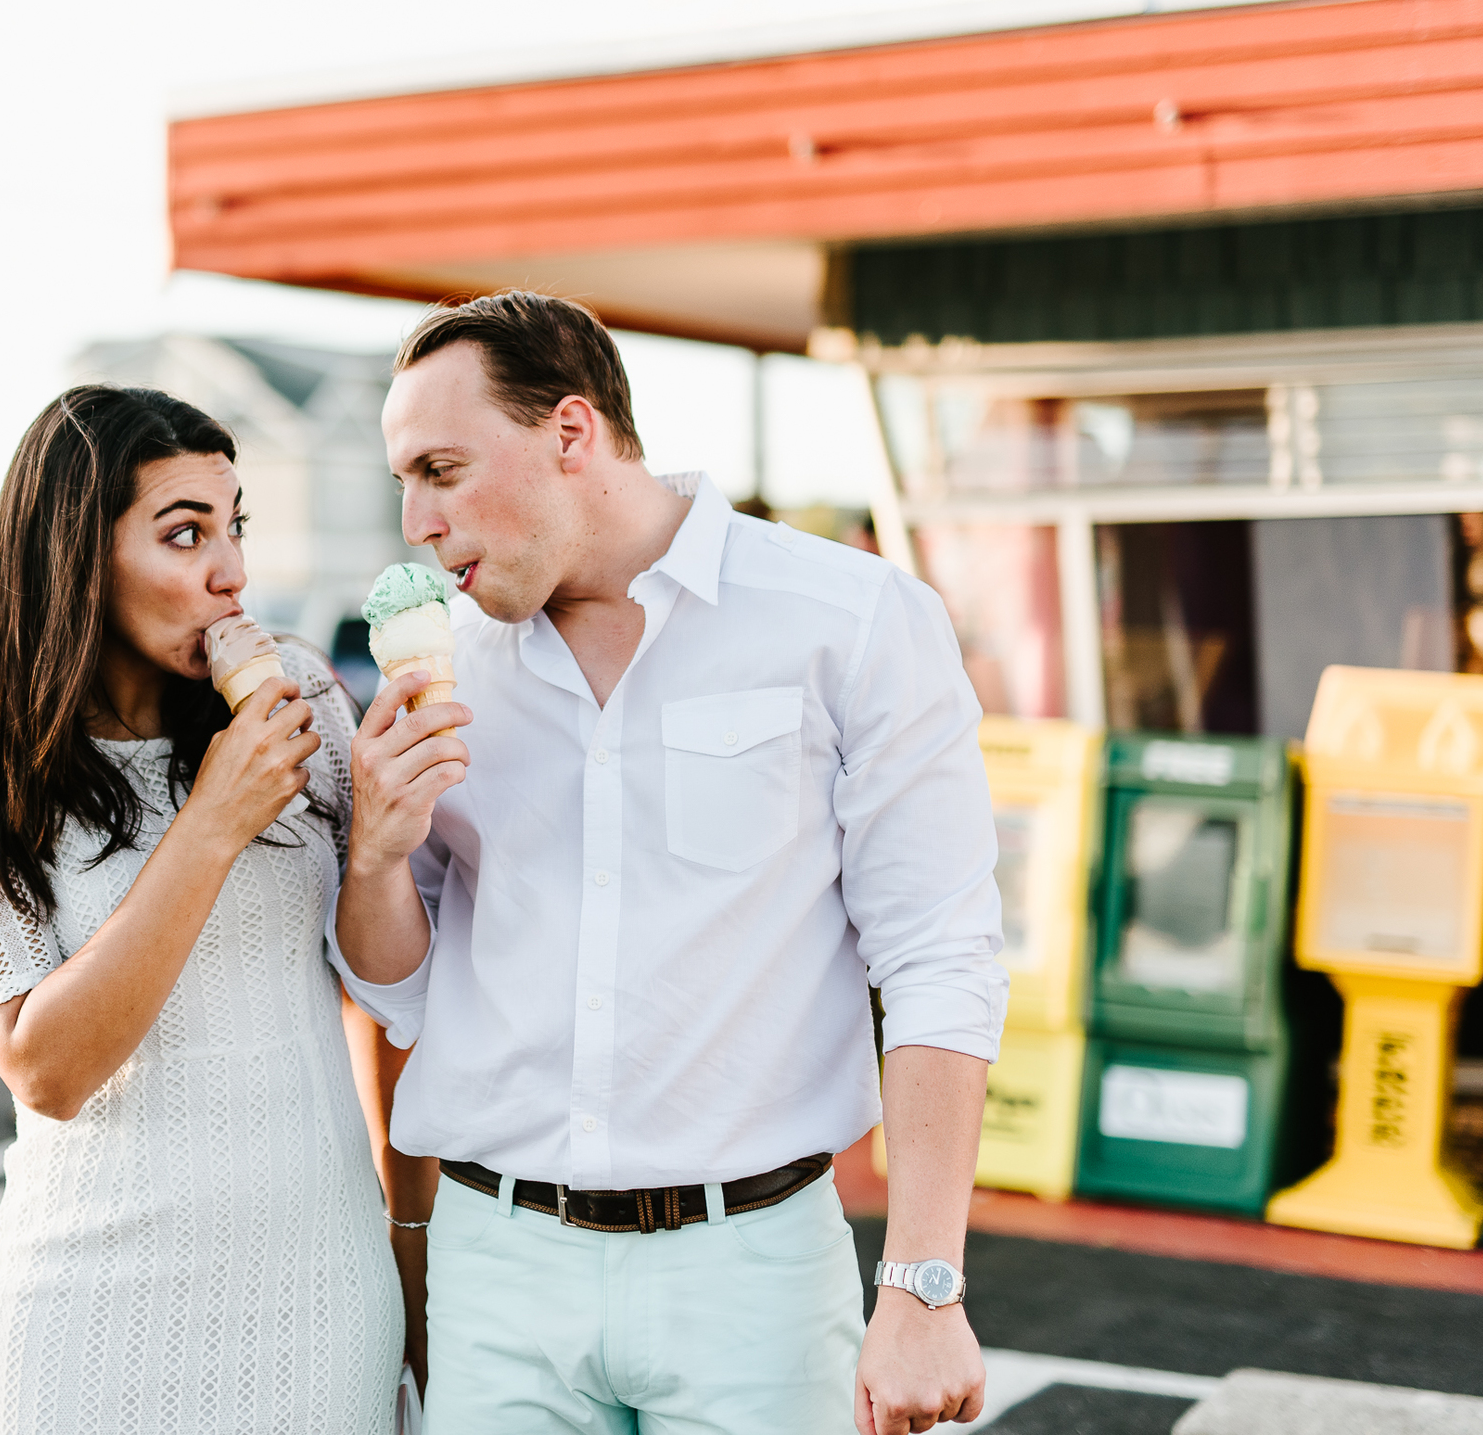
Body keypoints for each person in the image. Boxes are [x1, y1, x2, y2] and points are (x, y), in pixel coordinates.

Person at [334, 292, 1006, 1435]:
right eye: (404, 479)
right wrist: (377, 856)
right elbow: (401, 989)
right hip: (500, 1264)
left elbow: (938, 951)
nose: (415, 518)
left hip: (752, 1271)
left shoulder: (849, 618)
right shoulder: (449, 673)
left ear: (570, 432)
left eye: (441, 469)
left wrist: (922, 1281)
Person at [0, 386, 407, 1433]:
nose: (233, 573)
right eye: (185, 533)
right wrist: (212, 821)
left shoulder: (299, 697)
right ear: (78, 554)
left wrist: (418, 1255)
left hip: (320, 1292)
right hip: (85, 1315)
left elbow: (388, 995)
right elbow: (49, 1067)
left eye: (234, 527)